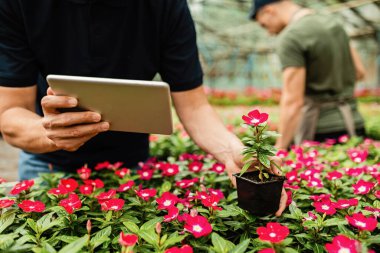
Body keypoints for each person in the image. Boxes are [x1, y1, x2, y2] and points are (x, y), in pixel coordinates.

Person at [0, 0, 287, 215]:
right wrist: (49, 132)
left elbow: (194, 106)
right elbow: (10, 114)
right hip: (47, 164)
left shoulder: (165, 6)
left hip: (131, 164)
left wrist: (233, 151)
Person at [249, 0, 366, 149]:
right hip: (355, 124)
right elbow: (359, 72)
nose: (269, 32)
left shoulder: (291, 37)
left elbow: (293, 101)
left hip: (321, 132)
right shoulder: (334, 23)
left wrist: (280, 148)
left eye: (264, 25)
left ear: (269, 10)